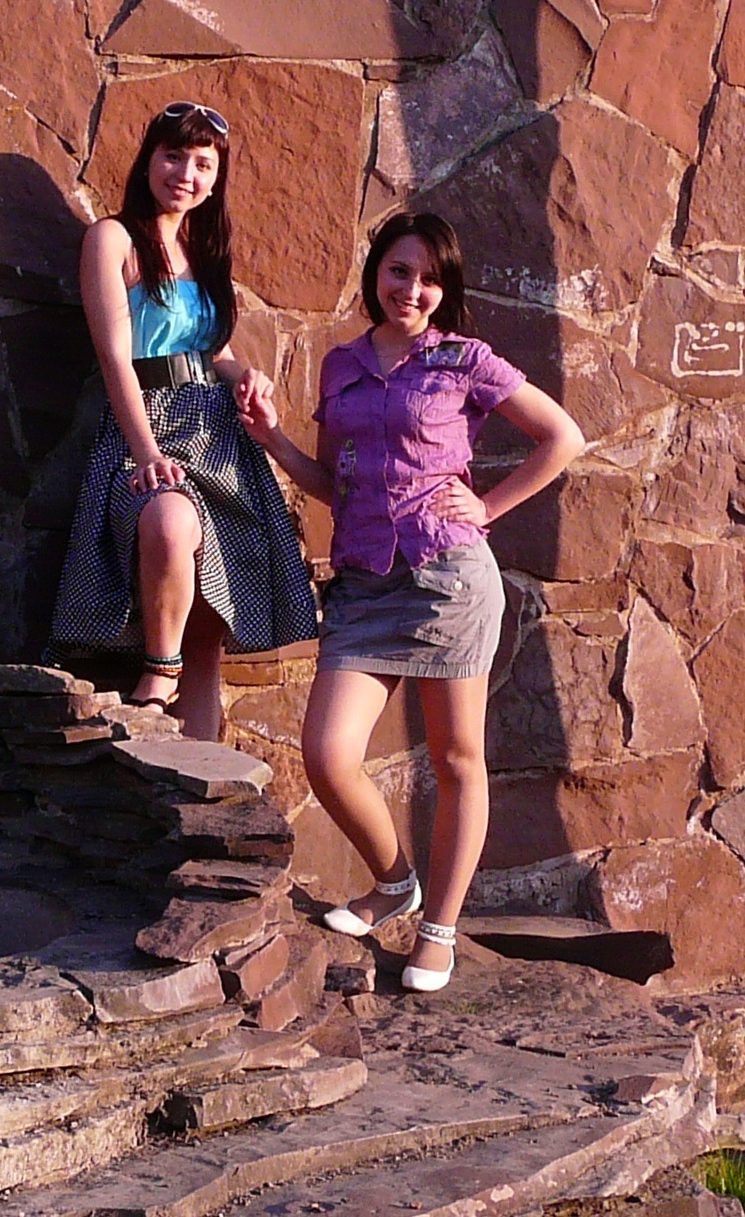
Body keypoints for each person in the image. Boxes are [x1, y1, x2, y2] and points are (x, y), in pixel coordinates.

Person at [238, 211, 584, 992]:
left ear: (444, 289)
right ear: (376, 274)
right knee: (329, 755)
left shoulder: (465, 360)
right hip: (364, 584)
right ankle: (395, 883)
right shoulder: (341, 365)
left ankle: (440, 930)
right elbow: (335, 484)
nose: (413, 290)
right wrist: (271, 439)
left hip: (447, 578)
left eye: (430, 278)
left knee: (458, 759)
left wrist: (487, 508)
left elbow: (562, 437)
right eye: (400, 271)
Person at [46, 101, 317, 738]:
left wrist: (245, 374)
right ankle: (157, 671)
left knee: (209, 628)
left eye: (202, 164)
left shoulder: (204, 249)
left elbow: (211, 350)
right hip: (147, 424)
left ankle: (198, 776)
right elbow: (116, 356)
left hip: (218, 434)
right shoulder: (112, 239)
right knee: (168, 523)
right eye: (173, 156)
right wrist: (145, 452)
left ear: (216, 179)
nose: (185, 175)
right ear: (148, 160)